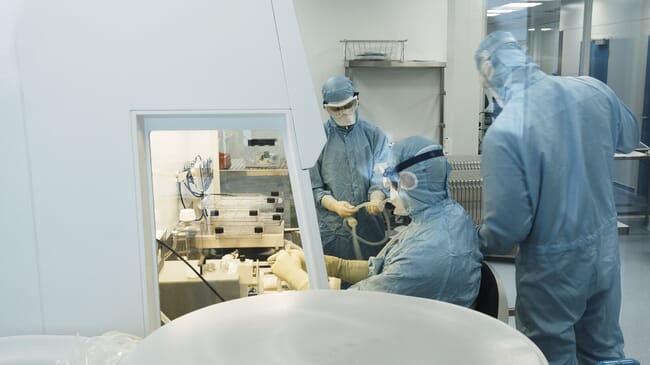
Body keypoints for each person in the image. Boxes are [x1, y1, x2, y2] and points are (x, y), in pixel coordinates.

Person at [474, 31, 640, 365]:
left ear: (489, 73)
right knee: (604, 350)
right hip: (604, 254)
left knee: (552, 356)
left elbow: (507, 229)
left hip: (554, 270)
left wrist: (473, 238)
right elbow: (630, 136)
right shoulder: (593, 90)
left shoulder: (505, 132)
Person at [271, 136, 483, 307]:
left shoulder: (427, 253)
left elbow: (345, 307)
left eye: (393, 183)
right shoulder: (447, 216)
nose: (391, 192)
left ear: (409, 182)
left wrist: (295, 276)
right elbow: (388, 269)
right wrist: (335, 266)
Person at [309, 76, 390, 260]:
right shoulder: (318, 139)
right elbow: (314, 187)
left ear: (356, 99)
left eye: (348, 105)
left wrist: (377, 196)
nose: (343, 112)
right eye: (335, 109)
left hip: (370, 227)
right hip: (334, 230)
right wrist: (334, 204)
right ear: (326, 108)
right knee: (337, 280)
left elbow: (381, 175)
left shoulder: (374, 135)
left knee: (372, 279)